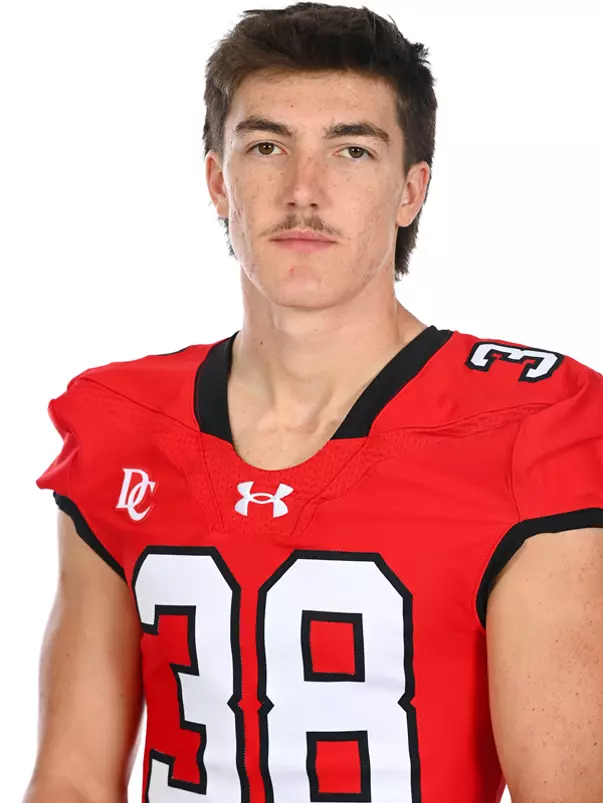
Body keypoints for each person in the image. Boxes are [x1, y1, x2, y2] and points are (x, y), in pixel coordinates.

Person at [24, 4, 603, 803]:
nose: (304, 190)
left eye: (351, 150)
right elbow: (73, 781)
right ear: (217, 180)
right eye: (267, 146)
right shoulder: (123, 421)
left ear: (409, 191)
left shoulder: (528, 424)